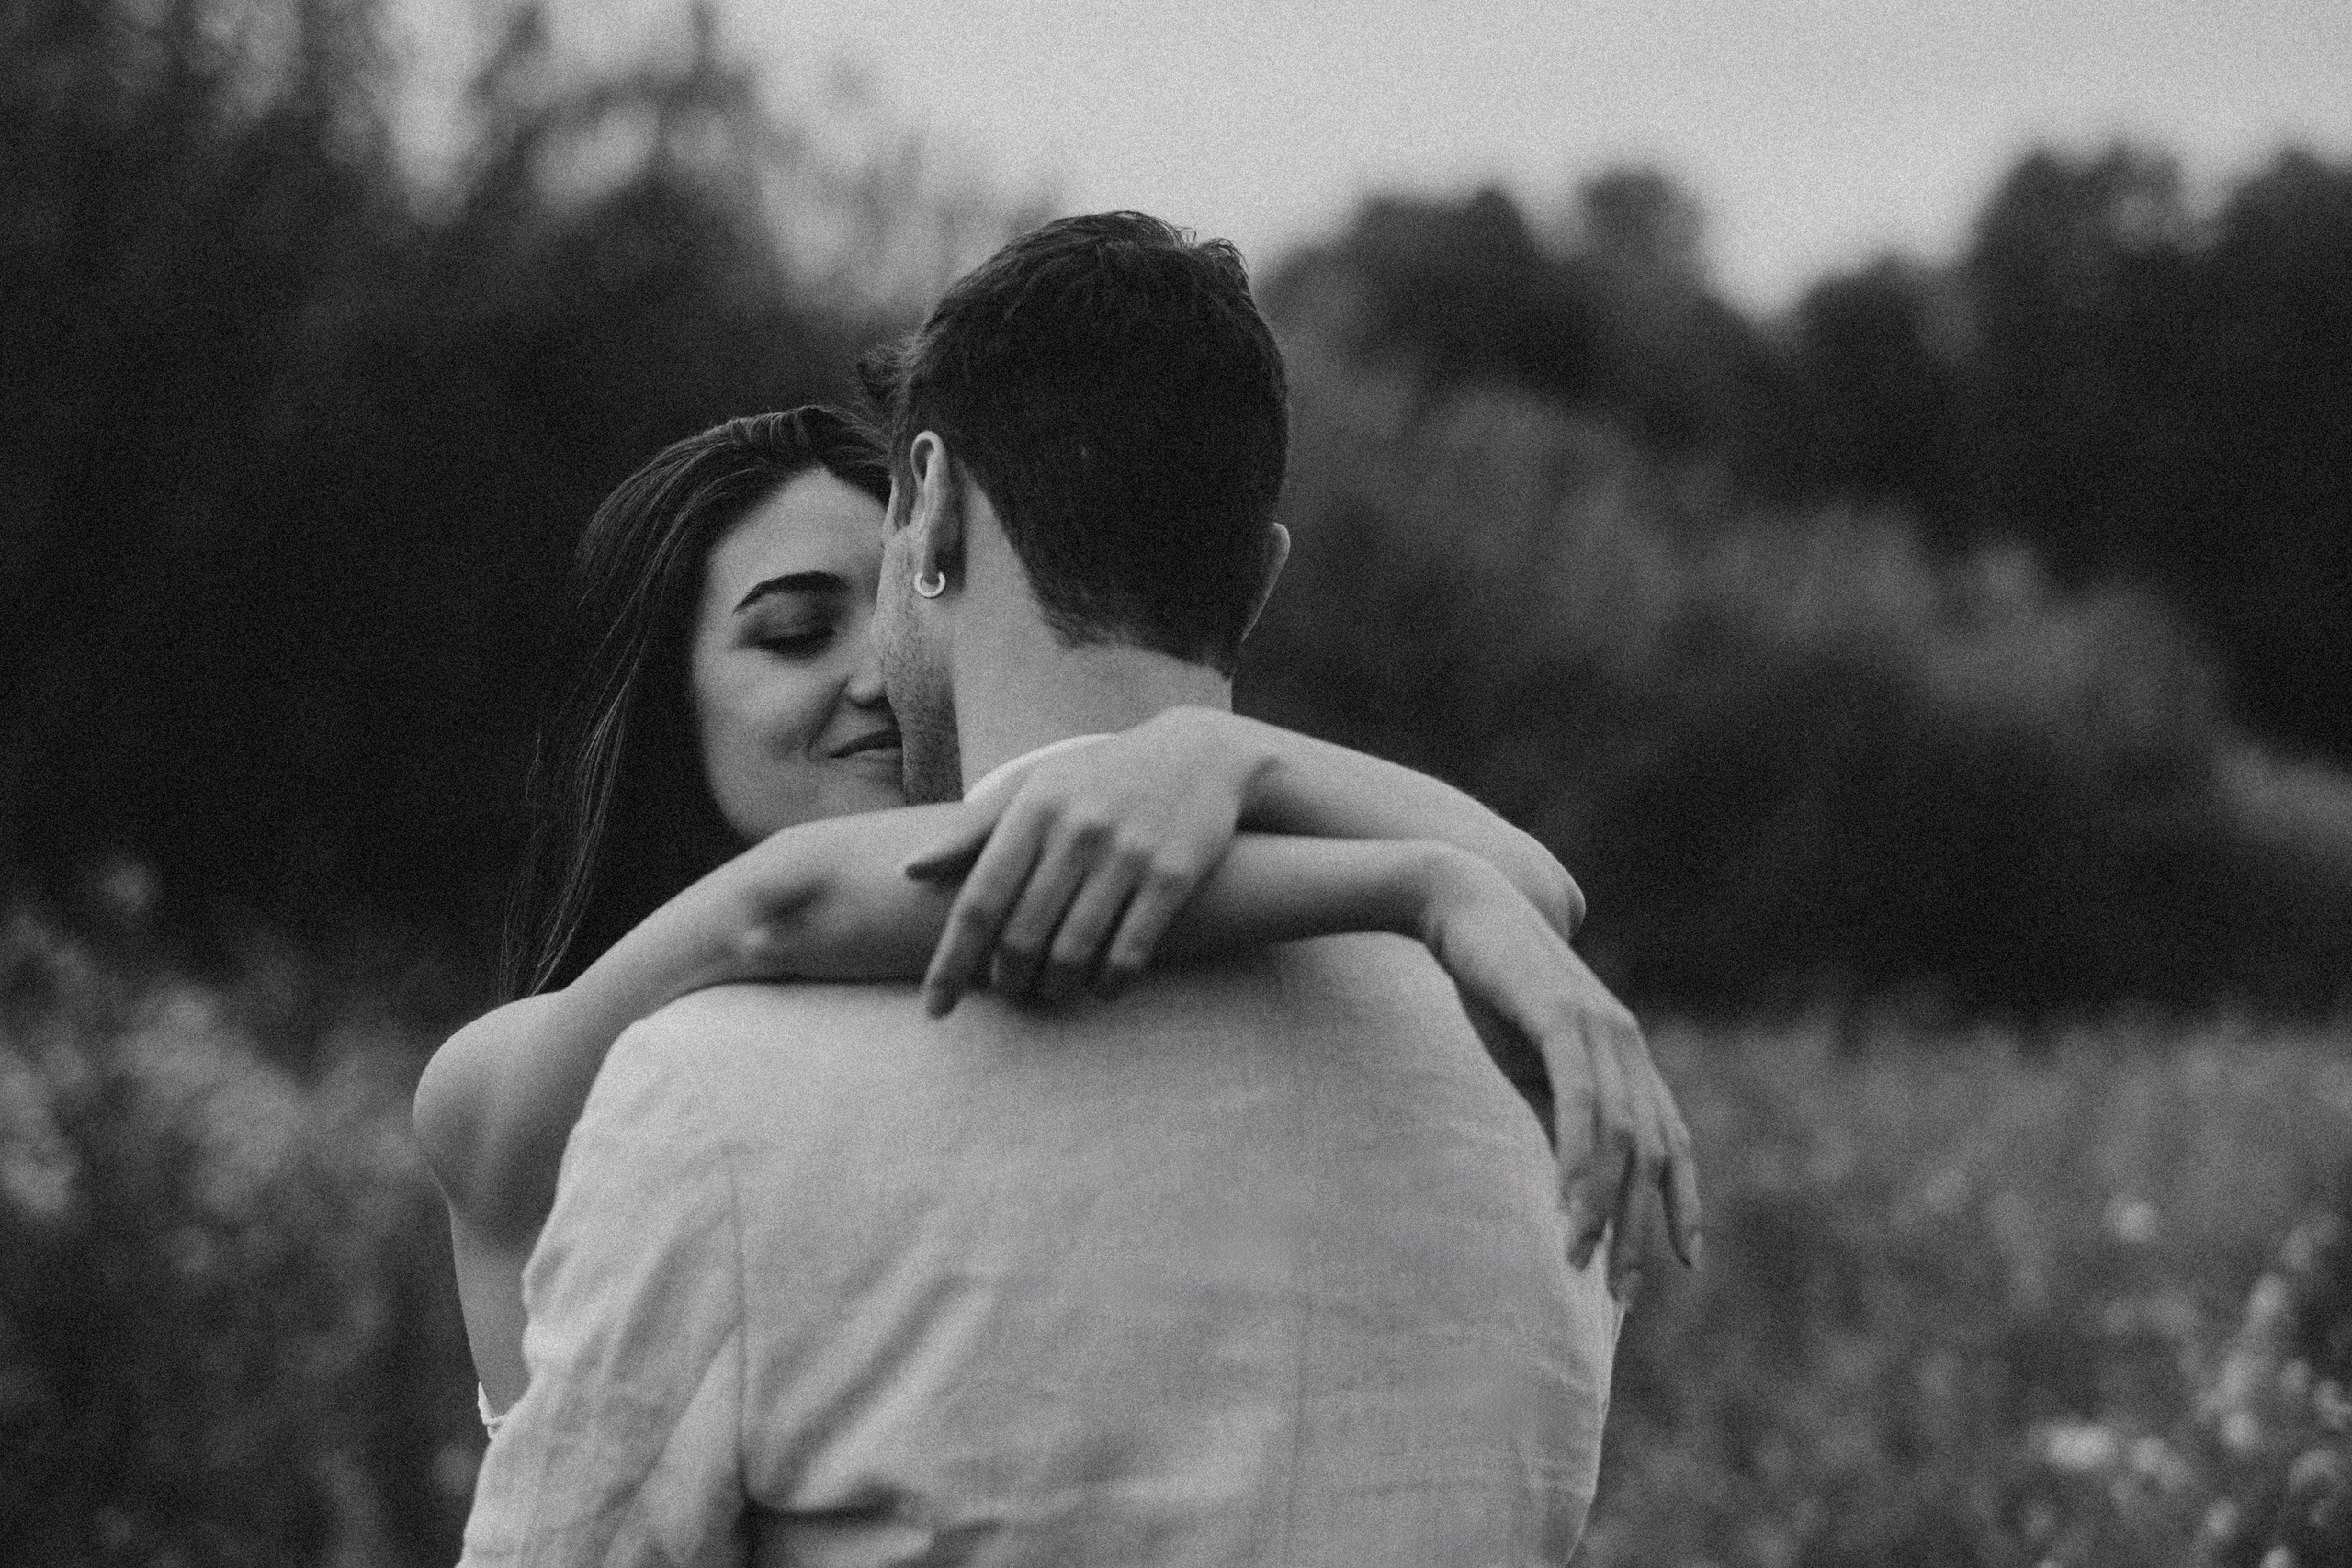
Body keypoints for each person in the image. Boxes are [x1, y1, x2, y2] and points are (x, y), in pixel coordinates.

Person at [445, 214, 1693, 1563]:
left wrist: (1235, 769)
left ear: (930, 509)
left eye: (877, 591)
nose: (874, 679)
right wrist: (1415, 880)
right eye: (797, 630)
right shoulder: (1527, 1093)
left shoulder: (725, 1097)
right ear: (1263, 576)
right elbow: (789, 906)